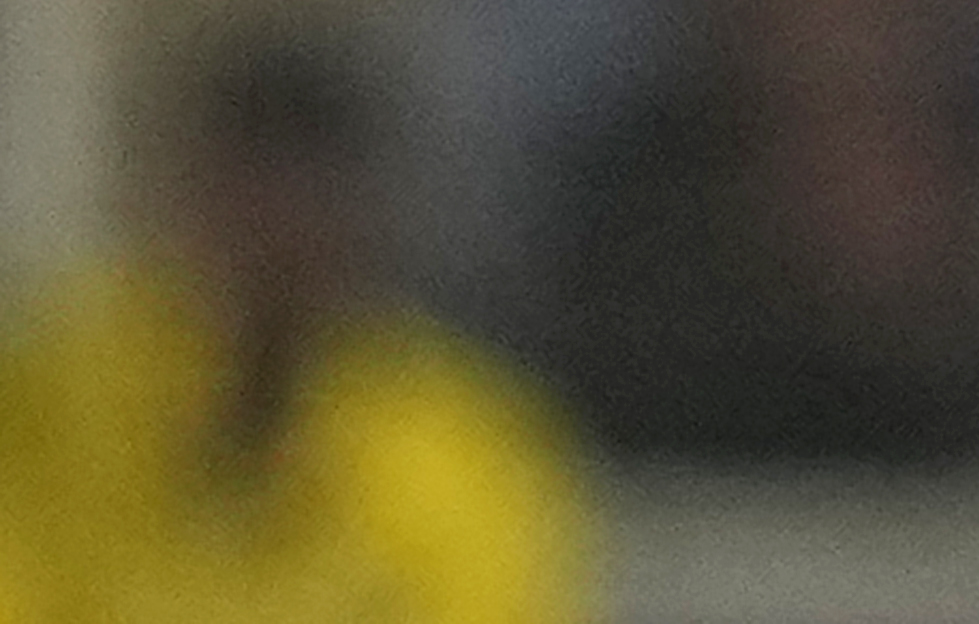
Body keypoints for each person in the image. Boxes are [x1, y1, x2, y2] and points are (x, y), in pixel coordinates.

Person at [0, 33, 603, 624]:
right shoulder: (53, 402)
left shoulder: (462, 463)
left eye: (302, 239)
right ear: (180, 210)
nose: (271, 257)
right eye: (245, 226)